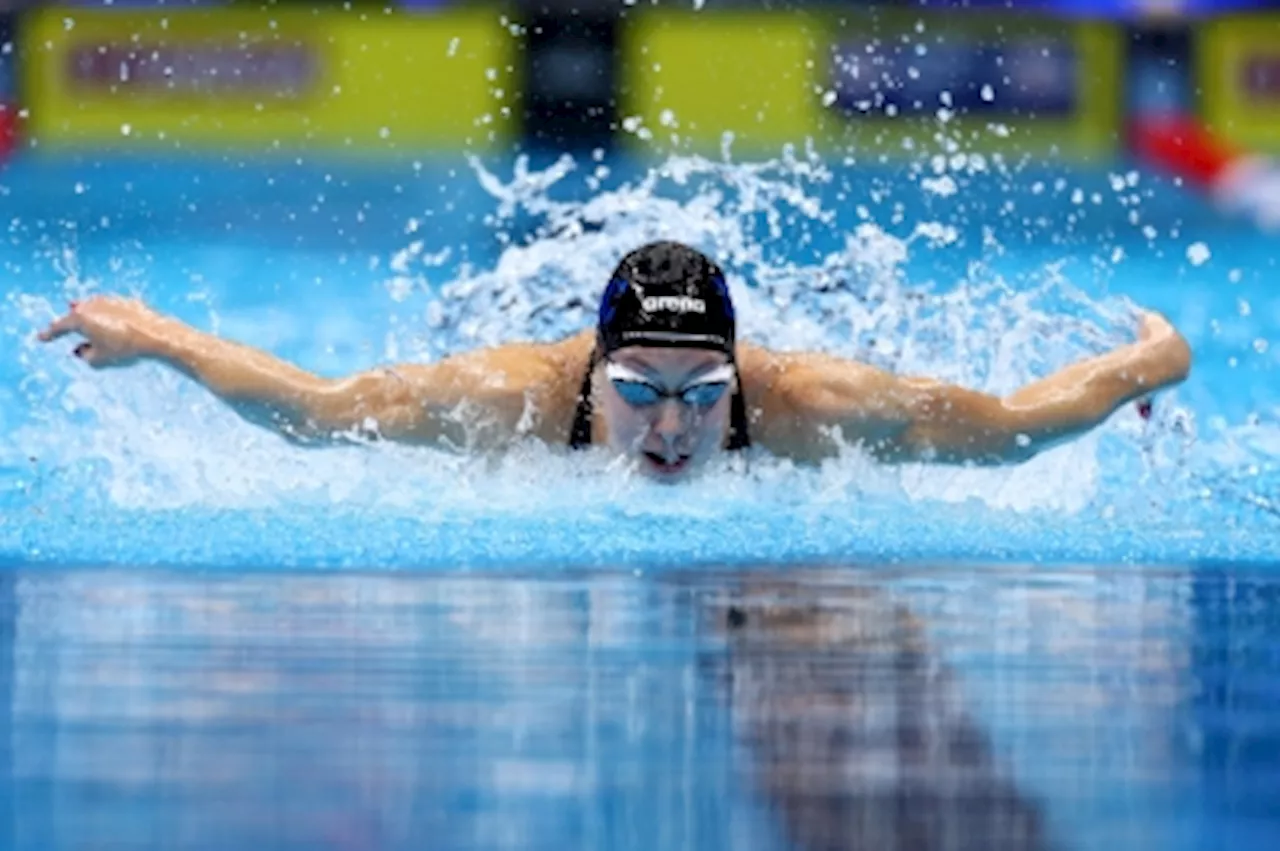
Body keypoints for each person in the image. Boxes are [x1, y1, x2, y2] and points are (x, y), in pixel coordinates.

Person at [36, 240, 1191, 481]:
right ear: (593, 373)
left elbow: (1005, 431)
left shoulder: (808, 405)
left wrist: (1147, 362)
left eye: (702, 393)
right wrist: (162, 338)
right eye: (640, 391)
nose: (674, 426)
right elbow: (314, 410)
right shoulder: (507, 399)